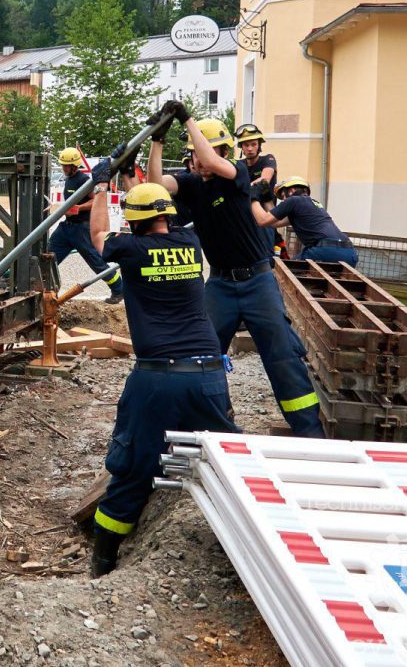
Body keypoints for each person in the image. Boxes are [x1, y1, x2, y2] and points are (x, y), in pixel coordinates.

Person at [86, 130, 239, 577]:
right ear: (168, 218)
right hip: (209, 372)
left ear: (132, 223)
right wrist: (136, 175)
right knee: (226, 454)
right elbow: (149, 205)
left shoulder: (129, 249)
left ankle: (104, 564)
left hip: (157, 379)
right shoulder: (189, 244)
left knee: (133, 465)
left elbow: (97, 233)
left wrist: (100, 185)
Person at [147, 101, 324, 439]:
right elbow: (156, 185)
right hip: (219, 286)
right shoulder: (192, 185)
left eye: (206, 152)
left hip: (257, 280)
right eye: (195, 154)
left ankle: (310, 432)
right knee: (202, 356)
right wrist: (157, 140)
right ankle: (216, 423)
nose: (200, 161)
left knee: (281, 355)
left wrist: (187, 119)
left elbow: (213, 161)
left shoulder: (237, 175)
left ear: (224, 151)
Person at [49, 147, 123, 304]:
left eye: (66, 165)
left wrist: (79, 208)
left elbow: (97, 200)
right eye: (62, 165)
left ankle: (118, 289)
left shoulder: (84, 180)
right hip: (66, 228)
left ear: (75, 166)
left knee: (96, 262)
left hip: (81, 229)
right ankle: (46, 291)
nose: (63, 168)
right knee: (48, 257)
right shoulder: (69, 179)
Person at [253, 177, 358, 266]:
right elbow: (274, 223)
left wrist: (252, 198)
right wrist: (267, 200)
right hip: (350, 253)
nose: (283, 200)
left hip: (324, 251)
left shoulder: (293, 201)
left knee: (286, 270)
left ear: (291, 190)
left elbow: (262, 221)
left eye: (283, 195)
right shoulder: (313, 204)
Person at [235, 123, 285, 257]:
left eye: (253, 144)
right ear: (242, 147)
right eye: (246, 145)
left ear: (259, 146)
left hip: (266, 217)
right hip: (246, 219)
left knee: (267, 256)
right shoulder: (239, 165)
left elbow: (264, 180)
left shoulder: (268, 159)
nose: (250, 148)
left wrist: (242, 188)